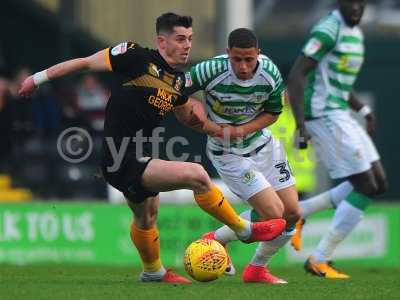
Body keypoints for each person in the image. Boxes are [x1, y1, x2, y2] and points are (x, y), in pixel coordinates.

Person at [19, 13, 286, 284]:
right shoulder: (134, 56)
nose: (187, 45)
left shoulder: (178, 83)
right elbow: (85, 63)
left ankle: (152, 272)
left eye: (190, 39)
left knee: (147, 217)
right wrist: (37, 79)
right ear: (162, 41)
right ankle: (242, 230)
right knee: (197, 175)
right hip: (120, 156)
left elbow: (189, 118)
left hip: (140, 156)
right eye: (180, 39)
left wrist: (219, 130)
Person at [183, 28, 300, 284]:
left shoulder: (269, 73)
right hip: (227, 153)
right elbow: (176, 92)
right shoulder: (209, 70)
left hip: (264, 145)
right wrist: (195, 110)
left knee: (291, 213)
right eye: (237, 59)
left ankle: (254, 268)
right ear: (228, 54)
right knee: (273, 213)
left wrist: (241, 130)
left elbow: (273, 112)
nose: (244, 67)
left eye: (250, 59)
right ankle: (217, 240)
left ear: (259, 54)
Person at [287, 0, 387, 279]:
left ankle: (301, 213)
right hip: (322, 114)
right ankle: (320, 258)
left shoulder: (355, 32)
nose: (355, 7)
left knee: (378, 183)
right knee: (365, 184)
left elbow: (340, 83)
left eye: (360, 2)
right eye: (349, 1)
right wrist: (300, 123)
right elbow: (297, 75)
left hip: (340, 112)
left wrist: (364, 110)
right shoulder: (328, 29)